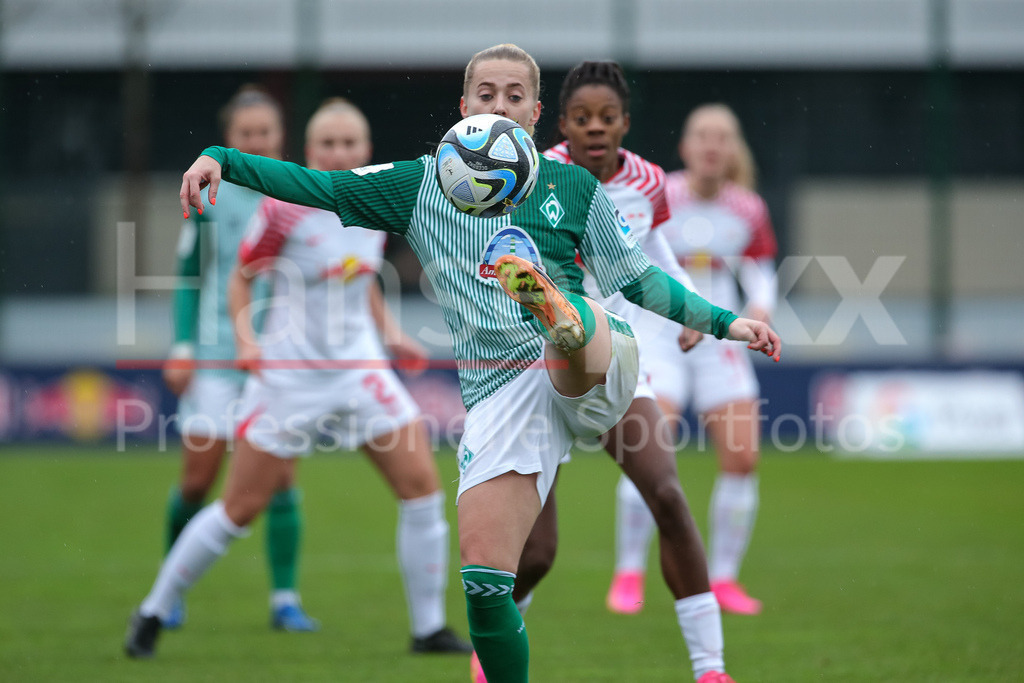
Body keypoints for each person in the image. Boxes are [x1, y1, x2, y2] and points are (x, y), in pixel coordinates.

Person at [144, 44, 780, 682]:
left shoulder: (572, 185)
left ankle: (556, 310)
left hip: (597, 362)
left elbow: (641, 280)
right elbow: (321, 187)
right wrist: (223, 158)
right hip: (500, 391)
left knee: (581, 341)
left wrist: (727, 323)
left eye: (513, 96)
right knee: (484, 579)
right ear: (463, 107)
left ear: (535, 113)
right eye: (486, 94)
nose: (499, 105)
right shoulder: (420, 185)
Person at [127, 99, 472, 657]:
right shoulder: (284, 209)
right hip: (290, 379)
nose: (339, 153)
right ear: (309, 152)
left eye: (349, 143)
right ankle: (153, 610)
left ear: (366, 149)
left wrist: (391, 333)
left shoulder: (380, 198)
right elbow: (241, 279)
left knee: (422, 490)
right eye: (327, 144)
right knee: (239, 509)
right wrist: (247, 341)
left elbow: (361, 278)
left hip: (360, 372)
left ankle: (428, 629)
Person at [485, 60, 726, 683]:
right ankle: (492, 657)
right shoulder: (530, 175)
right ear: (562, 125)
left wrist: (690, 307)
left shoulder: (647, 181)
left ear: (624, 123)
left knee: (667, 494)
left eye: (607, 117)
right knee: (537, 553)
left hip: (615, 366)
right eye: (582, 117)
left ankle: (711, 668)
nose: (595, 127)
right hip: (538, 375)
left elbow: (655, 249)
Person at [609, 103, 779, 617]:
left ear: (733, 150)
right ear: (685, 147)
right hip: (660, 333)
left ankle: (724, 579)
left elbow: (760, 271)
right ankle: (629, 573)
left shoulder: (748, 208)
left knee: (743, 459)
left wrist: (761, 309)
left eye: (722, 137)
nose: (711, 145)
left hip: (720, 337)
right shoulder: (660, 193)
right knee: (649, 450)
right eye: (702, 135)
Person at [160, 84, 318, 631]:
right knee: (197, 481)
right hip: (215, 356)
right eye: (246, 134)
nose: (256, 141)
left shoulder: (298, 192)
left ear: (279, 136)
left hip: (277, 361)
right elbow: (190, 275)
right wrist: (182, 346)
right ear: (229, 139)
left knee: (281, 479)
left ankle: (285, 600)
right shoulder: (209, 196)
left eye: (265, 132)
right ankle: (170, 591)